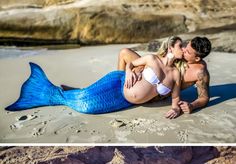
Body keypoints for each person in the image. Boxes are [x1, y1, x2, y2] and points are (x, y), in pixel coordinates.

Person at [5, 36, 183, 119]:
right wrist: (128, 72)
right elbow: (130, 64)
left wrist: (176, 109)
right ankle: (44, 91)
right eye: (180, 46)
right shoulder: (152, 59)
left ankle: (66, 91)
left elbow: (175, 98)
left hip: (126, 101)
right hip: (118, 83)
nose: (182, 50)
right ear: (170, 49)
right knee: (85, 105)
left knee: (88, 106)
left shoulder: (176, 74)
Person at [118, 36, 212, 114]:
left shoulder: (200, 73)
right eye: (185, 46)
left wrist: (192, 106)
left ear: (197, 58)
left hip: (156, 93)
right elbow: (160, 60)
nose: (183, 50)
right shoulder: (181, 53)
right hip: (152, 75)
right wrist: (139, 68)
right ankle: (118, 82)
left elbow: (204, 97)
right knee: (124, 52)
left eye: (187, 52)